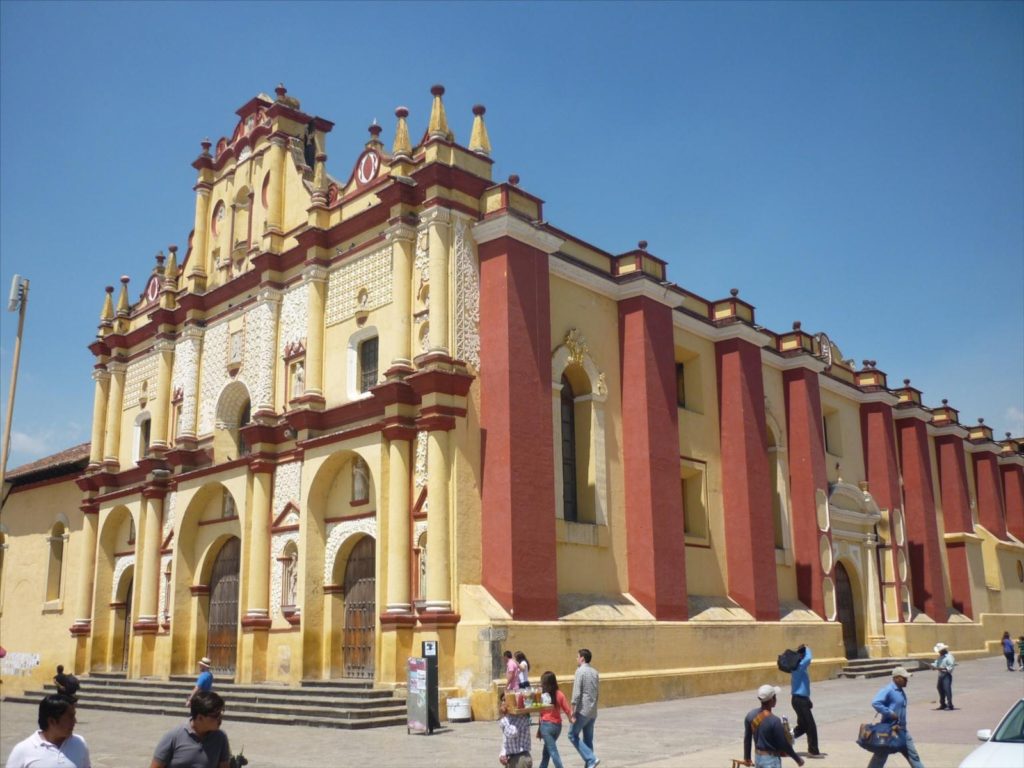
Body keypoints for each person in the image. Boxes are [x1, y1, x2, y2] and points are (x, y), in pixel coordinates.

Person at [6, 694, 91, 768]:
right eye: (70, 717)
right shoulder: (23, 750)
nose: (75, 721)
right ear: (52, 721)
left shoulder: (80, 743)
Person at [152, 690, 231, 768]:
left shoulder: (220, 738)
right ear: (200, 718)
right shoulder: (173, 736)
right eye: (216, 715)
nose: (220, 718)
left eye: (221, 712)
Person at [867, 666, 925, 768]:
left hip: (902, 730)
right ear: (897, 678)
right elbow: (876, 702)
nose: (907, 680)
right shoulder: (888, 690)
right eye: (904, 678)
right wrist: (889, 713)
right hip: (889, 730)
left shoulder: (900, 690)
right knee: (880, 756)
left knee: (913, 756)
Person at [742, 684, 804, 768]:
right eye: (775, 697)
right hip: (771, 760)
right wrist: (797, 759)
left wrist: (747, 758)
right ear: (772, 699)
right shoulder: (774, 721)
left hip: (758, 758)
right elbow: (784, 744)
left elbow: (747, 739)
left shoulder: (750, 715)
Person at [569, 648, 600, 768]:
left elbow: (576, 692)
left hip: (582, 710)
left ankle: (592, 759)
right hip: (592, 711)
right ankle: (590, 764)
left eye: (577, 656)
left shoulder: (580, 671)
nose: (576, 659)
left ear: (582, 658)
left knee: (572, 735)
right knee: (588, 740)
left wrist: (572, 710)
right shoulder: (595, 672)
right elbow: (597, 692)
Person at [789, 644, 821, 758]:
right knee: (811, 726)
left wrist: (808, 699)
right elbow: (808, 658)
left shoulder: (799, 667)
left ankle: (785, 739)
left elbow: (803, 687)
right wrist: (807, 648)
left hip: (801, 699)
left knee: (803, 726)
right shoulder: (799, 666)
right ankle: (813, 750)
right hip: (799, 700)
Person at [537, 670, 573, 768]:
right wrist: (571, 719)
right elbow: (567, 709)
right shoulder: (559, 694)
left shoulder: (542, 695)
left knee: (552, 751)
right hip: (557, 727)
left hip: (546, 726)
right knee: (546, 751)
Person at [498, 697, 533, 768]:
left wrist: (503, 718)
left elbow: (512, 733)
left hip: (521, 759)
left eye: (505, 700)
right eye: (502, 700)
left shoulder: (521, 717)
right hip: (511, 758)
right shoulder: (508, 718)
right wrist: (503, 754)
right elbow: (506, 740)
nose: (503, 703)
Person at [930, 642, 955, 710]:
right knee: (940, 688)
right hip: (940, 675)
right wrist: (933, 666)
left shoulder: (949, 657)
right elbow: (936, 663)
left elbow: (951, 666)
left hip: (946, 675)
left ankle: (950, 704)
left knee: (947, 689)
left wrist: (941, 668)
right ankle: (943, 704)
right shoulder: (940, 657)